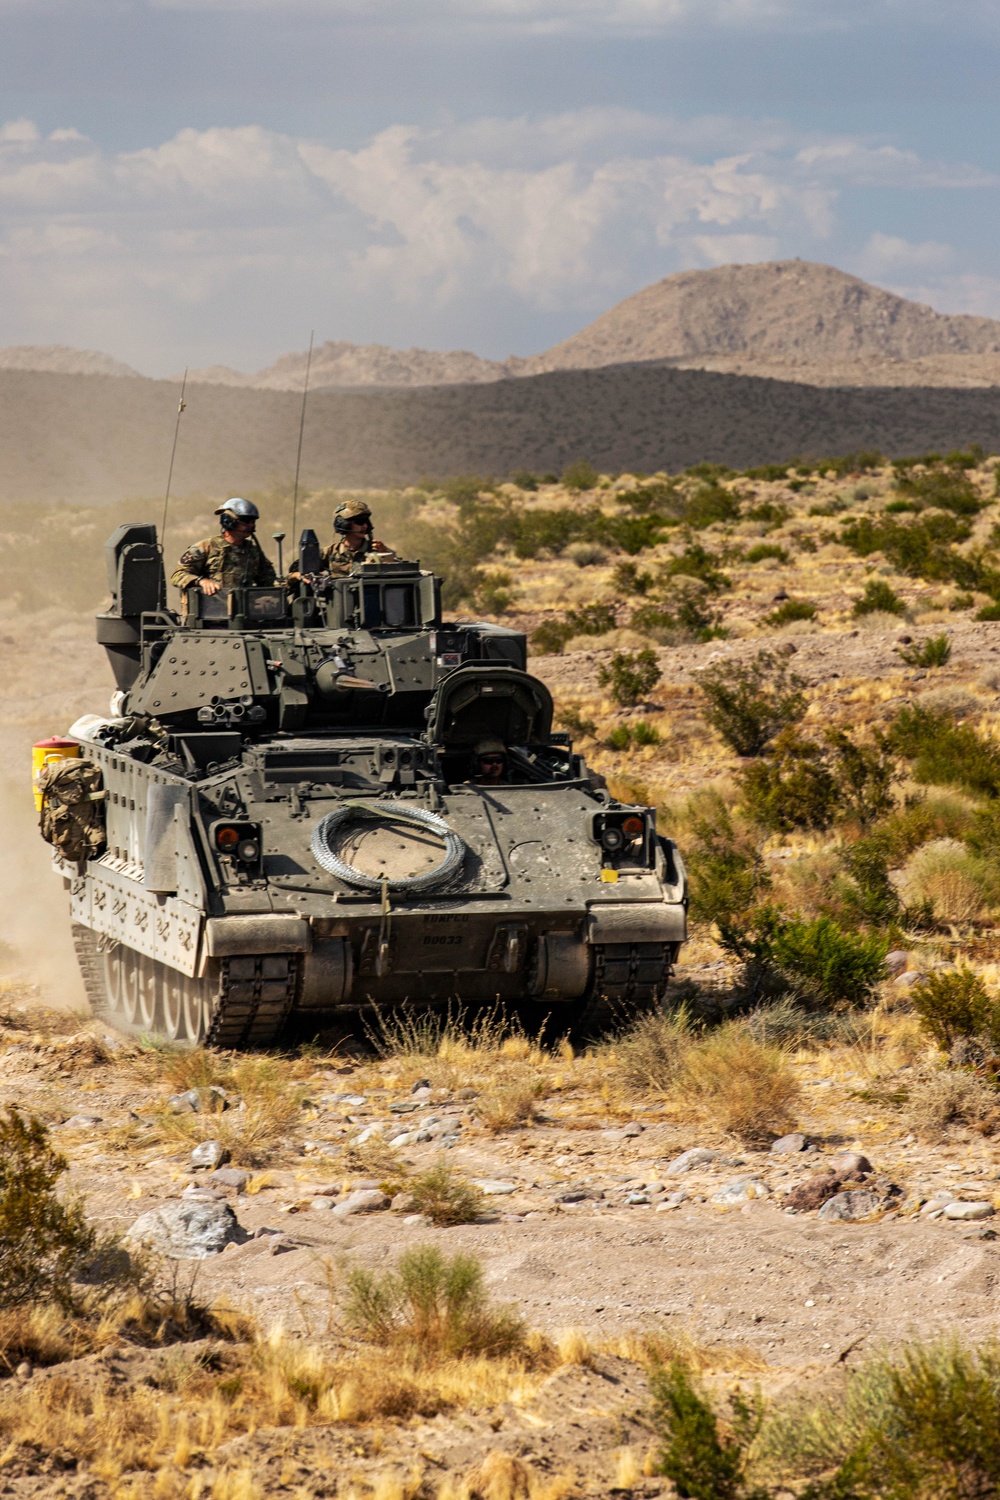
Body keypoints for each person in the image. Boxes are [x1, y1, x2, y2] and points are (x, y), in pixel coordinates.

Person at [171, 499, 277, 596]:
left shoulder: (253, 551)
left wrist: (290, 579)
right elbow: (178, 575)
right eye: (246, 521)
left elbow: (269, 581)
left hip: (245, 611)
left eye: (253, 522)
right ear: (229, 521)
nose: (250, 526)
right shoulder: (206, 547)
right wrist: (202, 581)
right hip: (210, 611)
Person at [323, 499, 398, 575]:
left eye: (366, 522)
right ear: (344, 524)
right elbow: (311, 565)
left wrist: (385, 553)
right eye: (360, 522)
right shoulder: (330, 552)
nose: (365, 526)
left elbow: (398, 567)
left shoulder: (377, 551)